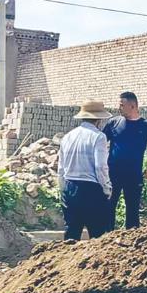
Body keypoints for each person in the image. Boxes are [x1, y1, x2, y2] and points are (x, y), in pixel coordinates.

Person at [103, 91, 147, 229]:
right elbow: (100, 144)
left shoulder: (146, 126)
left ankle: (132, 242)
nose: (119, 108)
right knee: (109, 207)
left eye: (122, 105)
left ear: (133, 106)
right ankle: (105, 240)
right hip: (113, 174)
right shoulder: (113, 123)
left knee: (133, 210)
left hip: (133, 175)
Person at [58, 100, 113, 241]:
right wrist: (107, 189)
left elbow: (61, 168)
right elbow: (100, 167)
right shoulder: (99, 137)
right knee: (98, 234)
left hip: (69, 186)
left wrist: (63, 189)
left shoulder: (67, 137)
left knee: (71, 233)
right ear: (99, 120)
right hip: (90, 189)